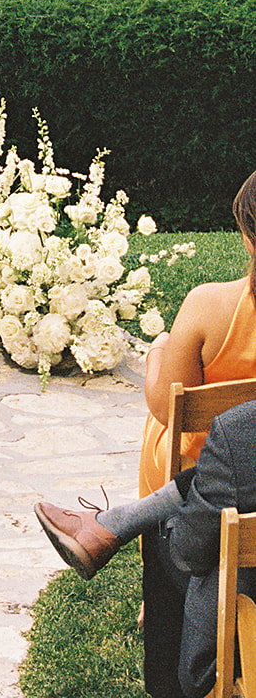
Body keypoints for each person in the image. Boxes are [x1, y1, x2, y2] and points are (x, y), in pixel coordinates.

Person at [34, 400, 256, 698]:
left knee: (165, 533)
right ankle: (111, 524)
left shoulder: (239, 431)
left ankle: (170, 692)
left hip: (244, 646)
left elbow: (188, 554)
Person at [138, 171, 256, 497]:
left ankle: (157, 532)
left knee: (160, 428)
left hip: (210, 473)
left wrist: (157, 352)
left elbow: (167, 410)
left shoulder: (208, 304)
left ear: (248, 238)